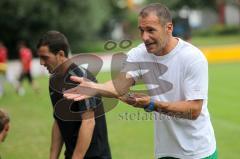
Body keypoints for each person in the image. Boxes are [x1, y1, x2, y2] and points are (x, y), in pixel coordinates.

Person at [64, 3, 217, 159]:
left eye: (151, 30)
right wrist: (94, 88)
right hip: (165, 151)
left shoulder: (192, 58)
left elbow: (194, 110)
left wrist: (152, 104)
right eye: (141, 30)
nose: (144, 37)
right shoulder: (139, 54)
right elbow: (120, 86)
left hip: (198, 151)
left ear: (168, 28)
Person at [37, 31, 111, 159]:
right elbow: (59, 121)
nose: (41, 63)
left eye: (45, 57)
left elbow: (88, 122)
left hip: (94, 156)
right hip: (72, 154)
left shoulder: (79, 78)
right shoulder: (53, 80)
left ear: (60, 54)